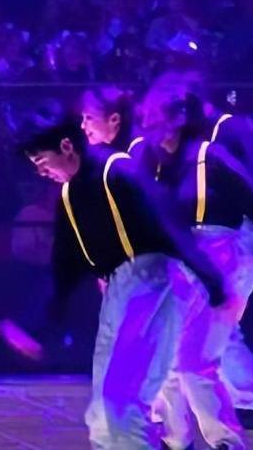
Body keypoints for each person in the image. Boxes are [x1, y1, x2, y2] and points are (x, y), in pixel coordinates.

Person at [21, 121, 226, 449]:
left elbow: (165, 222)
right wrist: (47, 318)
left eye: (42, 161)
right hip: (118, 285)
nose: (41, 172)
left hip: (147, 277)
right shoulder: (71, 193)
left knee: (121, 394)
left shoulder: (116, 170)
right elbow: (66, 262)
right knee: (104, 405)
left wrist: (209, 277)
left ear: (66, 147)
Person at [140, 71, 253, 431]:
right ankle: (248, 400)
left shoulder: (226, 136)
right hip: (207, 246)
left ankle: (252, 401)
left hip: (235, 240)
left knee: (212, 330)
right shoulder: (179, 151)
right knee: (207, 331)